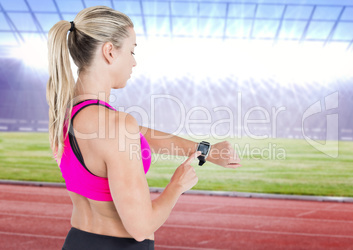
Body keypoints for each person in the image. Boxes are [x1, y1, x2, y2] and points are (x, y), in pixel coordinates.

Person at [46, 5, 241, 250]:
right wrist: (176, 186)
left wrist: (205, 150)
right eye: (131, 50)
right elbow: (140, 228)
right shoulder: (115, 125)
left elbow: (138, 134)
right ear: (109, 52)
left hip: (77, 240)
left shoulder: (65, 114)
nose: (134, 62)